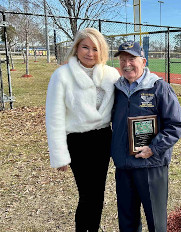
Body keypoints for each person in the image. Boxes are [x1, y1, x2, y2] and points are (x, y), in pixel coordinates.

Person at [45, 27, 120, 231]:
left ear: (101, 51)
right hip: (78, 142)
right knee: (87, 194)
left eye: (95, 49)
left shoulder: (111, 75)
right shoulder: (62, 76)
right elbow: (54, 118)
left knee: (99, 194)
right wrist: (60, 156)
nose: (90, 53)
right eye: (85, 47)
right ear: (76, 48)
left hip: (103, 139)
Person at [111, 41, 181, 232]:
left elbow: (175, 125)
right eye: (123, 60)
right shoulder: (116, 90)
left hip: (151, 166)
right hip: (124, 166)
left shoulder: (159, 88)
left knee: (156, 222)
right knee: (127, 222)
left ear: (143, 61)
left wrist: (153, 148)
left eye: (132, 59)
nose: (127, 64)